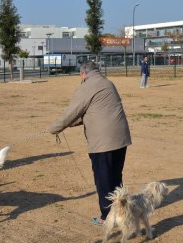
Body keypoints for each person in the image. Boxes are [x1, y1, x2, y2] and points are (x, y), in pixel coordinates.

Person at [48, 61, 132, 225]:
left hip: (103, 142)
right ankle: (122, 212)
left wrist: (54, 128)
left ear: (83, 73)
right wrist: (70, 124)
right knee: (115, 178)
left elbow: (72, 112)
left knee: (104, 180)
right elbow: (92, 111)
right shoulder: (107, 83)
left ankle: (107, 217)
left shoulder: (87, 86)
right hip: (121, 138)